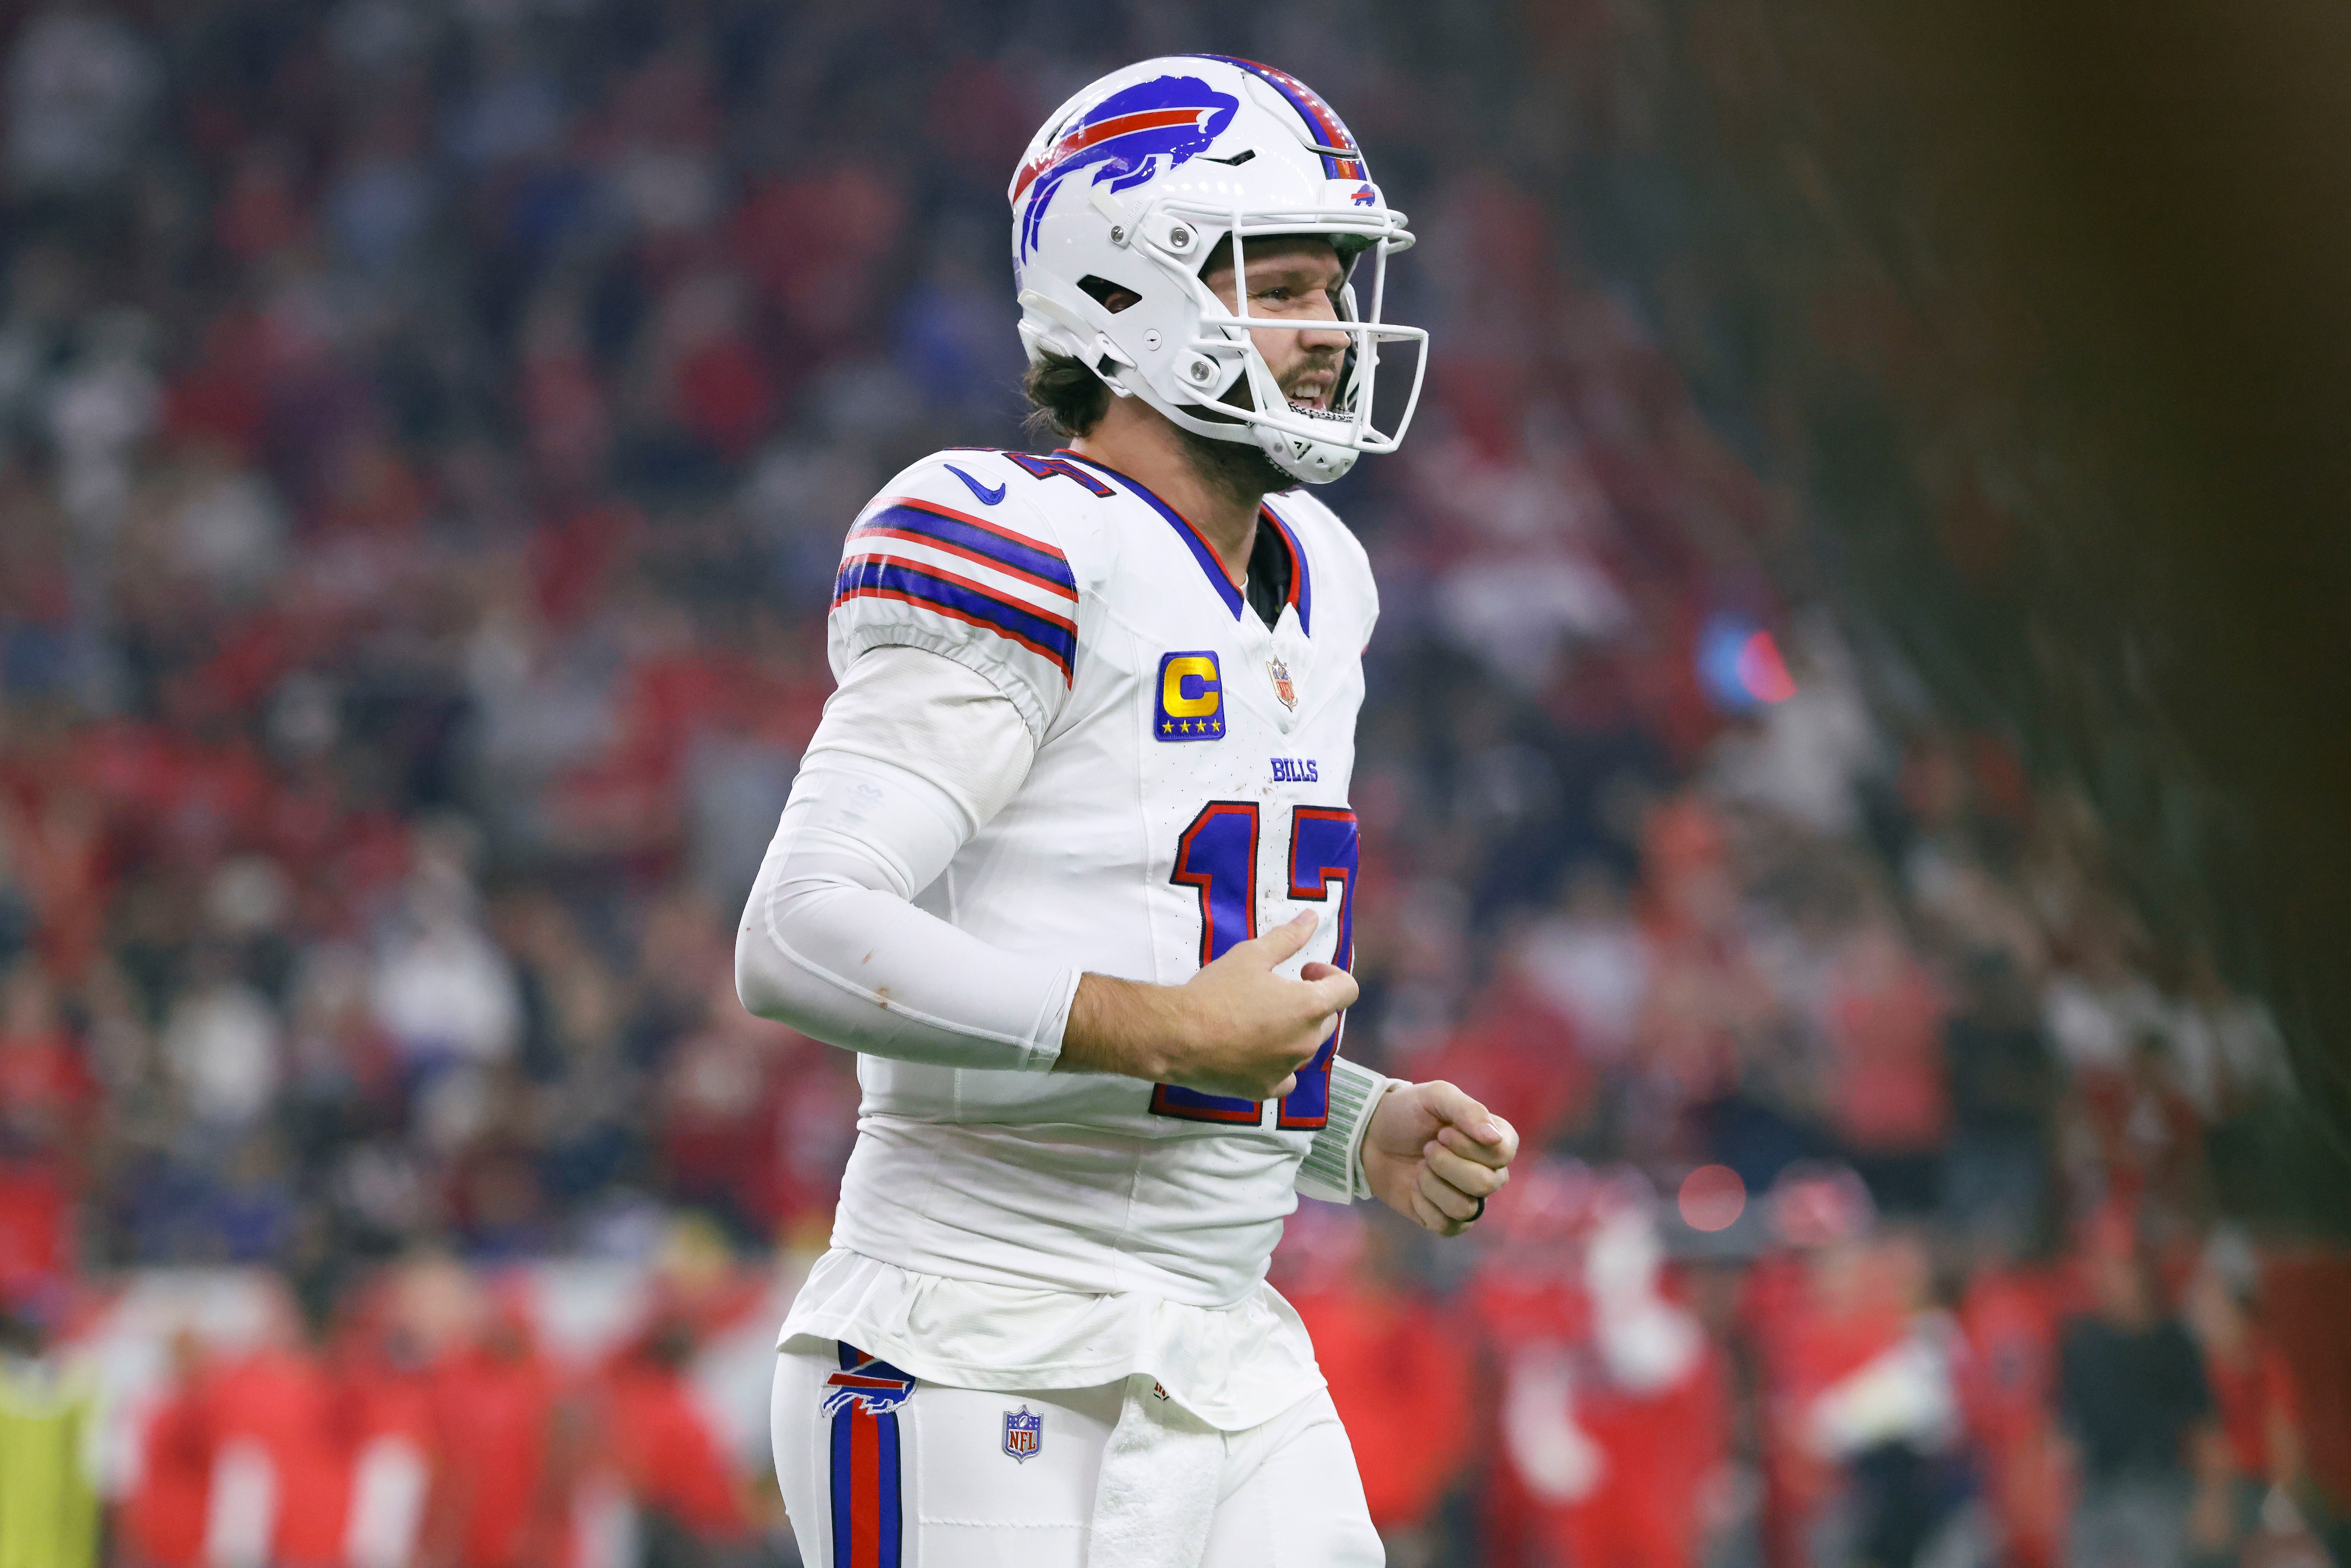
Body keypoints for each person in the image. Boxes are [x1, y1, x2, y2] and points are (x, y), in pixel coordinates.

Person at [736, 54, 1518, 1568]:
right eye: (1279, 285)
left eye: (1335, 283)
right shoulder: (1014, 539)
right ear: (1117, 294)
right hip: (976, 1341)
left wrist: (1347, 1124)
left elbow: (1158, 952)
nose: (1331, 330)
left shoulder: (1323, 574)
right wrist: (1167, 1030)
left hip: (1224, 1346)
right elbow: (801, 934)